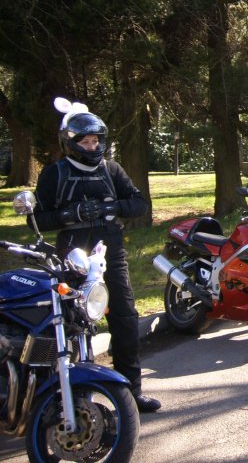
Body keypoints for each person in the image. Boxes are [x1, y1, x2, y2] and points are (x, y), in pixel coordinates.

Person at [32, 98, 160, 413]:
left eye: (95, 140)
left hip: (110, 251)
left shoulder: (112, 169)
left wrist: (113, 207)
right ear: (71, 142)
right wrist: (68, 214)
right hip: (71, 253)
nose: (92, 146)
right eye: (85, 141)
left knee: (125, 316)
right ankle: (65, 396)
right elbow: (36, 218)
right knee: (69, 320)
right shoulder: (55, 174)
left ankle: (131, 392)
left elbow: (140, 203)